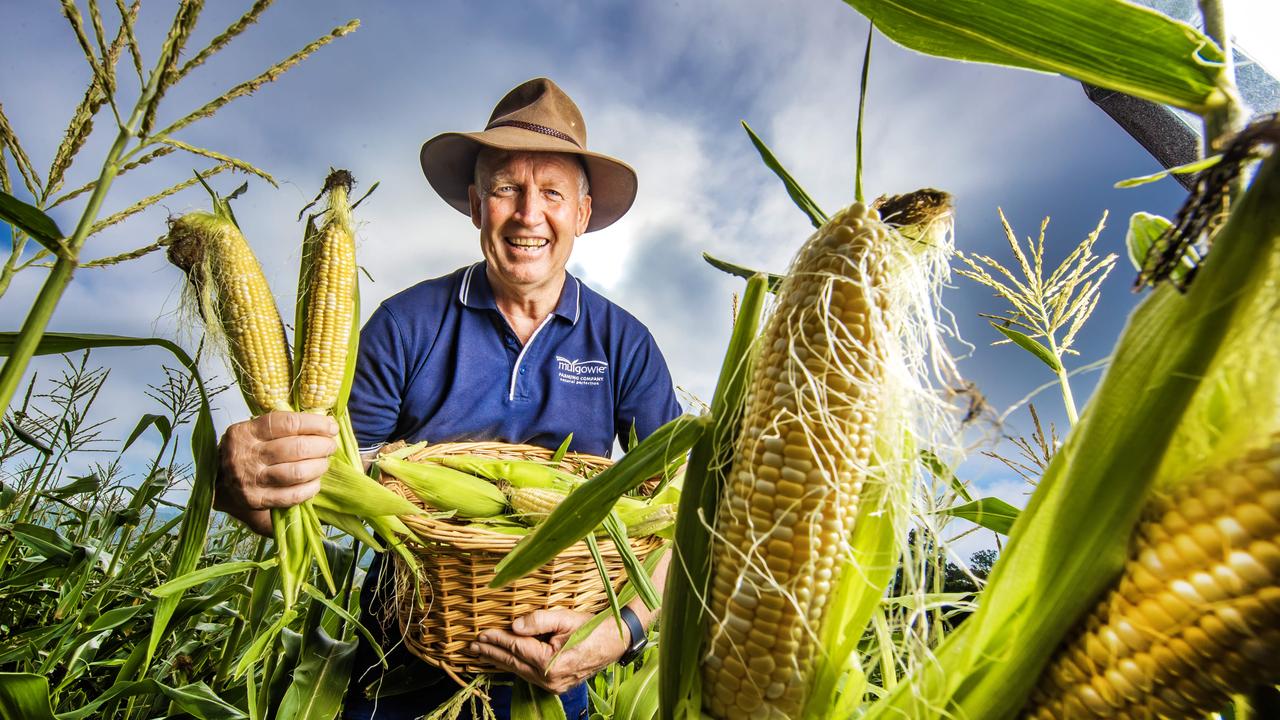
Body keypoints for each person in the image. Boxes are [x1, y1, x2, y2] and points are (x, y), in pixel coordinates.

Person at [213, 77, 681, 720]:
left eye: (551, 193)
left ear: (582, 212)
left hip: (554, 675)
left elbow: (680, 518)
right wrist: (249, 488)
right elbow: (324, 498)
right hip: (395, 663)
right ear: (473, 203)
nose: (528, 214)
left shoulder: (624, 343)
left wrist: (620, 630)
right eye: (505, 188)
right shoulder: (405, 325)